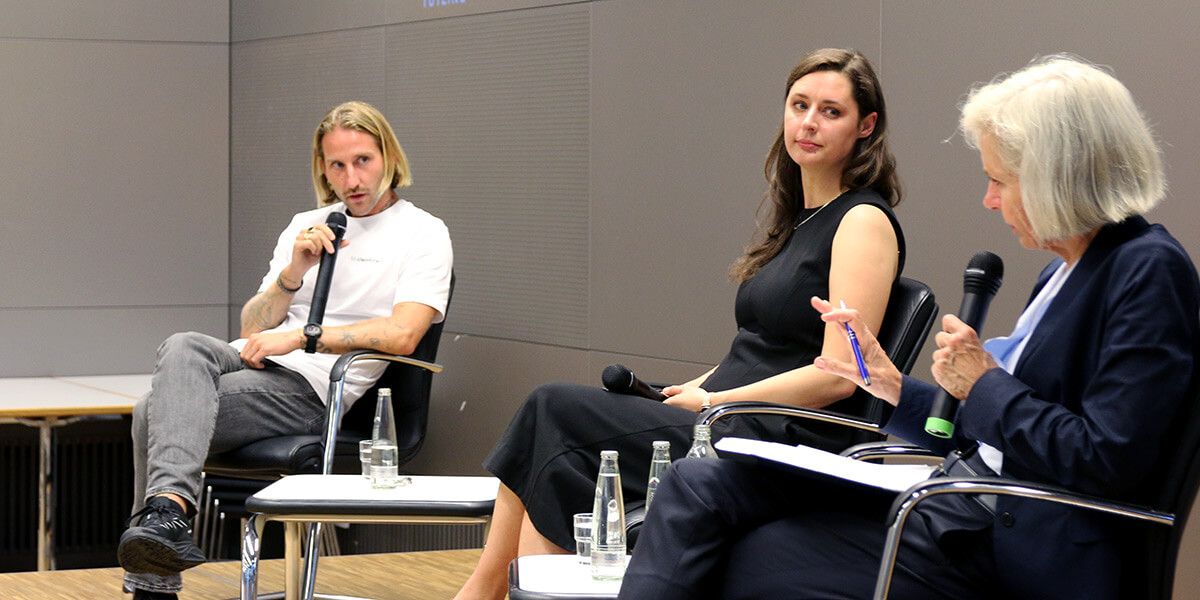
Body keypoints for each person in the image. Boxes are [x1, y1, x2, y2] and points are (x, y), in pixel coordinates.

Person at [618, 55, 1200, 600]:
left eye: (1001, 180)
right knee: (700, 487)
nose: (989, 200)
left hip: (1004, 538)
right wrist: (892, 384)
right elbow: (989, 435)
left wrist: (985, 383)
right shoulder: (1066, 269)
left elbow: (1108, 458)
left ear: (1060, 176)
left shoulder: (1146, 271)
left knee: (747, 554)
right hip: (956, 506)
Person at [455, 48, 906, 600]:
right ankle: (490, 590)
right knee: (558, 444)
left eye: (830, 111)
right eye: (799, 105)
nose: (808, 122)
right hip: (728, 416)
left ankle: (482, 591)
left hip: (774, 437)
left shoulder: (862, 220)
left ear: (866, 126)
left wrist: (715, 402)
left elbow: (841, 374)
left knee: (553, 409)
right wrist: (693, 388)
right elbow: (762, 346)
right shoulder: (799, 221)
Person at [117, 101, 453, 600]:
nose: (352, 178)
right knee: (183, 344)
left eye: (363, 161)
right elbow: (252, 324)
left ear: (389, 157)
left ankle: (158, 563)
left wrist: (304, 338)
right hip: (259, 359)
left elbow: (403, 335)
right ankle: (168, 522)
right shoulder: (309, 222)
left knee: (151, 412)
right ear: (323, 168)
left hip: (318, 386)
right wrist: (293, 272)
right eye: (337, 165)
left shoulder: (424, 232)